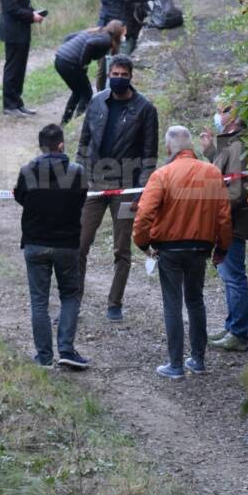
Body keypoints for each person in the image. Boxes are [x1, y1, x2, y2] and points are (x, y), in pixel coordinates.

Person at [133, 126, 233, 379]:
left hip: (169, 248)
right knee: (196, 300)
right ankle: (198, 360)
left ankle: (175, 364)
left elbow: (144, 214)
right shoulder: (212, 173)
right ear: (191, 147)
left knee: (172, 303)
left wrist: (143, 243)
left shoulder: (162, 175)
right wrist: (222, 247)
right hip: (200, 247)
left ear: (168, 148)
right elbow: (224, 216)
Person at [76, 54, 159, 321]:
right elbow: (84, 142)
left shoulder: (145, 109)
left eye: (124, 75)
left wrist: (141, 190)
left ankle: (115, 303)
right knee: (79, 243)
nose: (119, 79)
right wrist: (80, 176)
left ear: (131, 77)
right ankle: (72, 301)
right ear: (109, 74)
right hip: (95, 184)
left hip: (126, 187)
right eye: (115, 74)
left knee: (122, 247)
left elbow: (149, 156)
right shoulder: (97, 101)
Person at [13, 124, 90, 369]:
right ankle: (66, 350)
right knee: (69, 296)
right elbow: (81, 200)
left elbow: (20, 198)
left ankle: (44, 357)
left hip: (35, 243)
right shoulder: (77, 171)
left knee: (39, 301)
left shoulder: (27, 170)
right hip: (67, 244)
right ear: (61, 145)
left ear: (41, 146)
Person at [201, 98, 248, 352]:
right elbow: (222, 174)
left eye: (220, 112)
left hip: (231, 223)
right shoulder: (230, 144)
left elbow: (235, 192)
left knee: (233, 277)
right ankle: (232, 326)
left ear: (232, 116)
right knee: (228, 276)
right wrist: (211, 152)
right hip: (227, 222)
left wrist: (215, 214)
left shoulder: (238, 146)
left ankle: (238, 333)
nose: (216, 116)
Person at [0, 0, 45, 117]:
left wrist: (35, 13)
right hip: (12, 31)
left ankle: (17, 103)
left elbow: (24, 4)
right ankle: (9, 105)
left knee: (21, 68)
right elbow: (11, 8)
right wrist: (31, 16)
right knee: (12, 68)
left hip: (23, 30)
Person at [54, 20, 125, 125]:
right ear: (118, 33)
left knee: (78, 92)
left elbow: (69, 37)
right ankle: (78, 122)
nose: (124, 35)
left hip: (60, 59)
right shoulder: (105, 40)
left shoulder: (96, 31)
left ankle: (65, 122)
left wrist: (65, 51)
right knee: (87, 94)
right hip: (69, 63)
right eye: (123, 33)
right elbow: (89, 44)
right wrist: (83, 63)